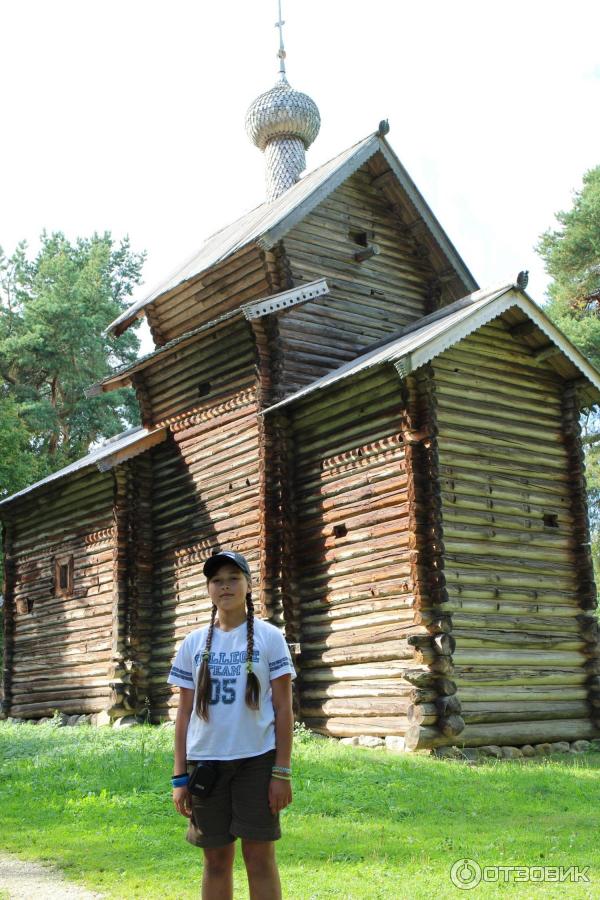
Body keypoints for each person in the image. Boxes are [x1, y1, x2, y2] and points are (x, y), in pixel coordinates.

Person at [168, 550, 295, 900]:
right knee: (216, 858)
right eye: (217, 581)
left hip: (257, 761)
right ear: (209, 589)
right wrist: (180, 778)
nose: (225, 586)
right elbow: (183, 714)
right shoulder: (193, 643)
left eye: (233, 579)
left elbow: (284, 707)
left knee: (259, 856)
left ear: (249, 586)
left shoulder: (270, 638)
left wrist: (281, 771)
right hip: (205, 765)